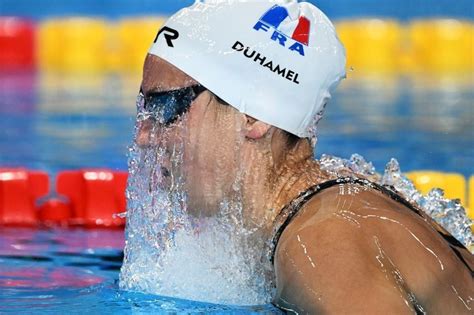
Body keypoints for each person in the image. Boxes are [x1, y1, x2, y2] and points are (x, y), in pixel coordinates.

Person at [135, 0, 473, 313]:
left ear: (253, 114)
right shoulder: (325, 208)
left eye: (165, 106)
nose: (144, 135)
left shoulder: (326, 240)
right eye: (143, 110)